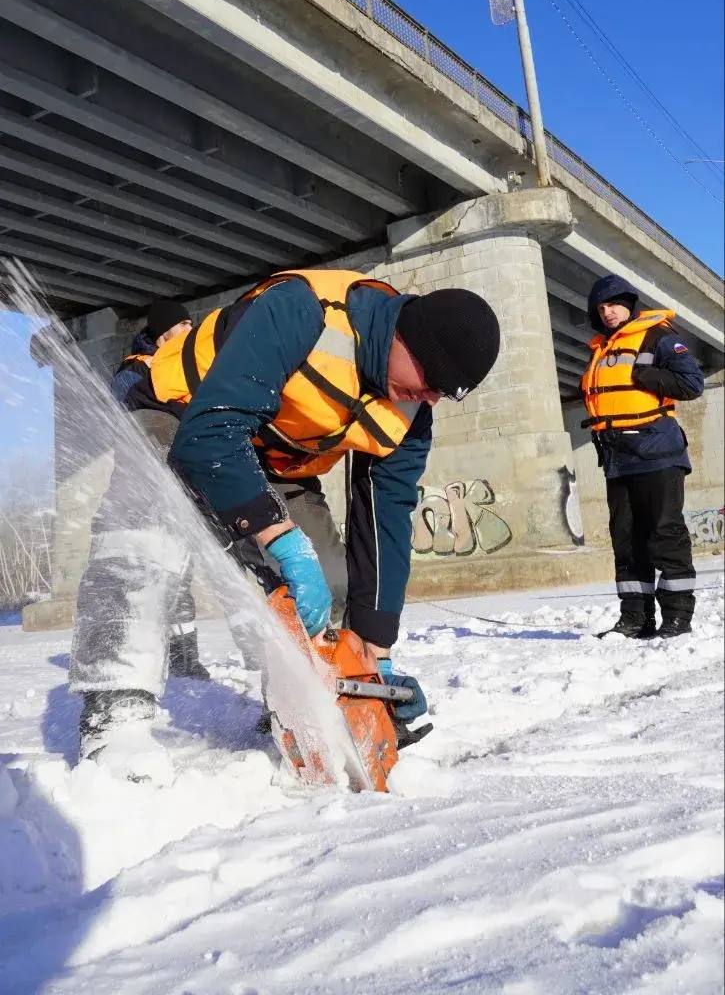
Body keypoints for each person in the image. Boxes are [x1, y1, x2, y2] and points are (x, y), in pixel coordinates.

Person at [71, 267, 501, 767]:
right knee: (146, 526)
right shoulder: (304, 310)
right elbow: (210, 436)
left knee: (332, 582)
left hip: (266, 455)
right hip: (182, 413)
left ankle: (304, 705)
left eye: (446, 393)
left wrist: (375, 649)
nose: (431, 398)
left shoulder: (410, 408)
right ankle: (114, 711)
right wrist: (279, 536)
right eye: (432, 381)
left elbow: (386, 521)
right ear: (407, 339)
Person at [582, 274, 704, 639]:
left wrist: (646, 375)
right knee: (626, 538)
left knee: (664, 534)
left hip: (657, 452)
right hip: (617, 458)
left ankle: (678, 617)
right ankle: (635, 618)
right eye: (601, 307)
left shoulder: (658, 337)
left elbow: (691, 384)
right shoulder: (601, 349)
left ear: (630, 303)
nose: (608, 312)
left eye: (614, 304)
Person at [108, 300, 210, 681]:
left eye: (189, 325)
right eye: (180, 327)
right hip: (145, 487)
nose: (187, 333)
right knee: (147, 571)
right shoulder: (135, 370)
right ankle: (134, 653)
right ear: (162, 333)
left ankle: (185, 657)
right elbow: (123, 419)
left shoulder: (193, 365)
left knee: (180, 568)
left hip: (183, 483)